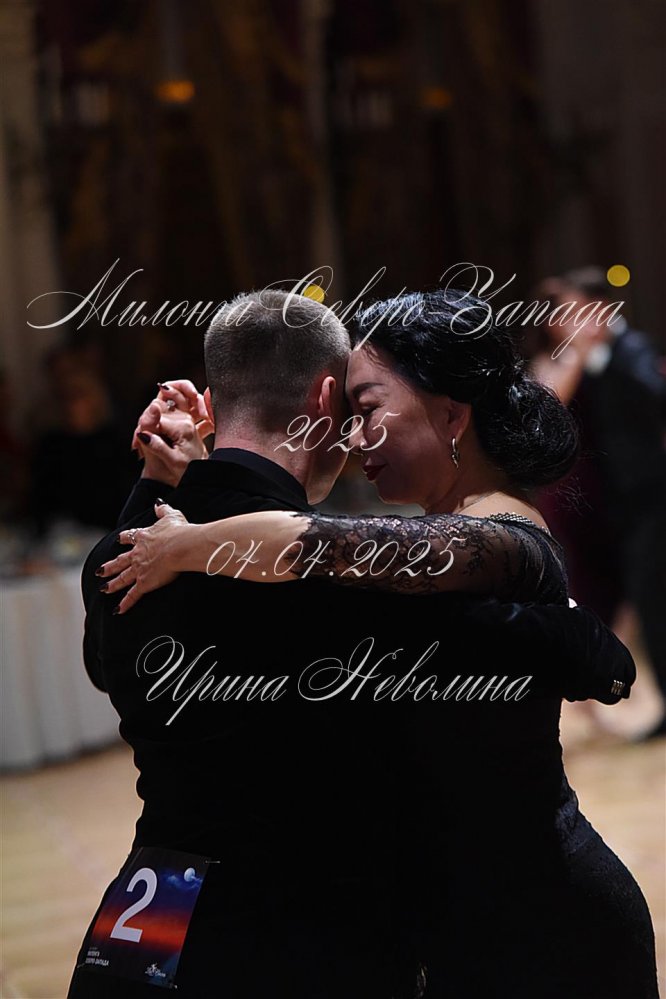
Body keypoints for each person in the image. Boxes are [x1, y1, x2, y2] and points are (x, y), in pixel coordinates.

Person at [98, 288, 658, 999]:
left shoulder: (470, 549)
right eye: (349, 412)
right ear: (320, 399)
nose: (354, 439)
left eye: (367, 412)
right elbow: (575, 653)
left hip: (530, 929)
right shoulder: (358, 590)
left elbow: (325, 548)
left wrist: (181, 524)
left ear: (452, 414)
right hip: (340, 936)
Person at [531, 267, 666, 739]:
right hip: (575, 499)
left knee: (637, 597)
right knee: (585, 598)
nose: (575, 321)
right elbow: (549, 406)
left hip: (621, 496)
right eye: (565, 313)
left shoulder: (626, 352)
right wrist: (578, 354)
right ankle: (587, 700)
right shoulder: (560, 363)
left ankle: (612, 691)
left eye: (581, 310)